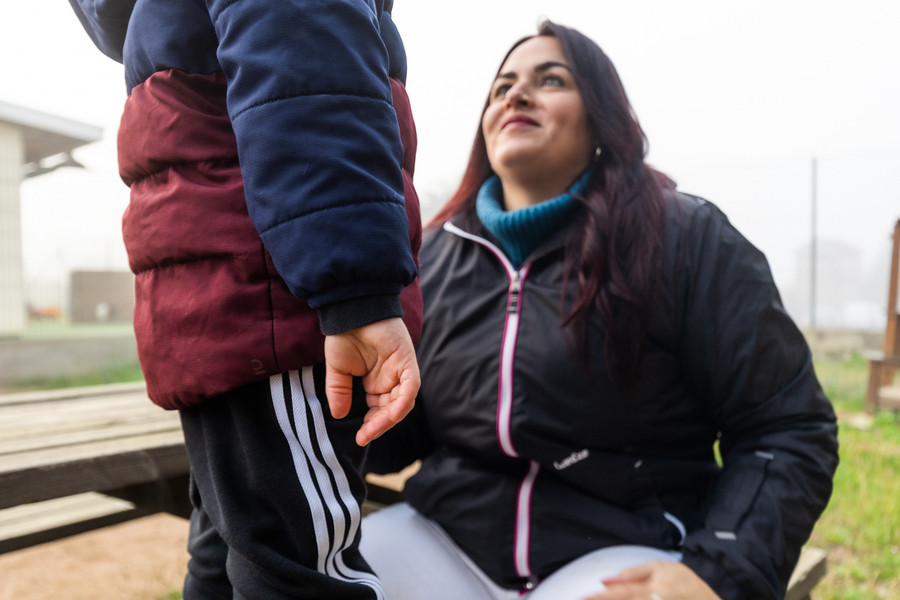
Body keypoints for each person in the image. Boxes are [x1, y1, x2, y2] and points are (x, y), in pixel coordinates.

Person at [361, 21, 839, 600]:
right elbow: (398, 438)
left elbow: (785, 427)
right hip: (448, 535)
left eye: (551, 79)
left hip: (620, 546)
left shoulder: (688, 239)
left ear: (601, 116)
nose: (516, 94)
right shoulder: (428, 257)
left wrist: (717, 571)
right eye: (501, 86)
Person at [68, 1, 422, 598]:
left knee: (236, 550)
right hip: (281, 298)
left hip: (223, 298)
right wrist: (355, 294)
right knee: (302, 569)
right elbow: (306, 74)